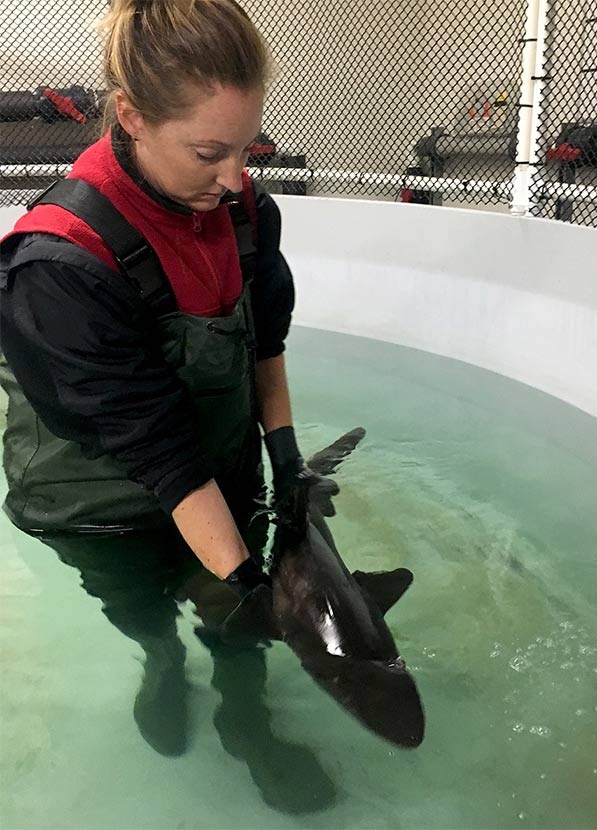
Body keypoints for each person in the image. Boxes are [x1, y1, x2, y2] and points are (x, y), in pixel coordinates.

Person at [0, 0, 336, 774]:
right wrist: (253, 587)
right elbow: (158, 451)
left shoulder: (244, 209)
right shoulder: (60, 265)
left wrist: (286, 463)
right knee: (146, 605)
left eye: (246, 148)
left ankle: (244, 718)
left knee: (231, 624)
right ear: (131, 115)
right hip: (99, 498)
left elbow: (265, 344)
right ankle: (158, 658)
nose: (235, 178)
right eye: (209, 152)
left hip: (213, 466)